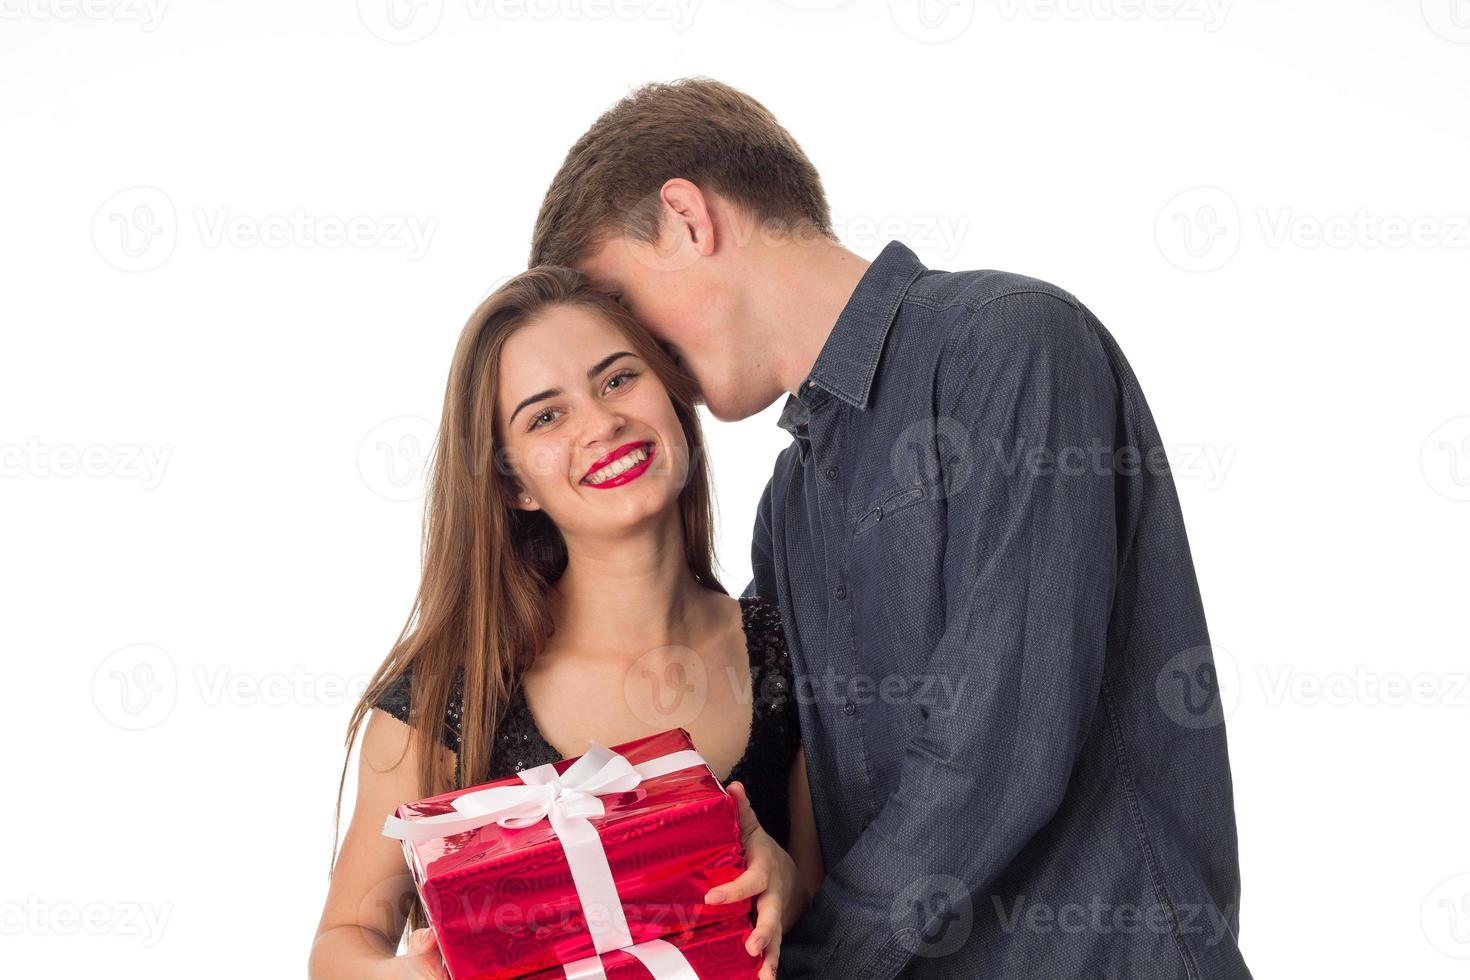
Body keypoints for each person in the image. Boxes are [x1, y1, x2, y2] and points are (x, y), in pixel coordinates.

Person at [529, 77, 1252, 979]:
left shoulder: (1012, 344)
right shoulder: (788, 510)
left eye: (621, 309)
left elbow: (1001, 750)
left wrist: (815, 963)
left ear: (686, 219)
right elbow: (760, 757)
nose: (641, 365)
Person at [309, 268, 823, 980]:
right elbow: (340, 944)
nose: (601, 422)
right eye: (546, 416)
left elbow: (841, 912)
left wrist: (787, 890)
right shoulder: (444, 697)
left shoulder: (789, 651)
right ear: (515, 481)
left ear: (674, 396)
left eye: (617, 380)